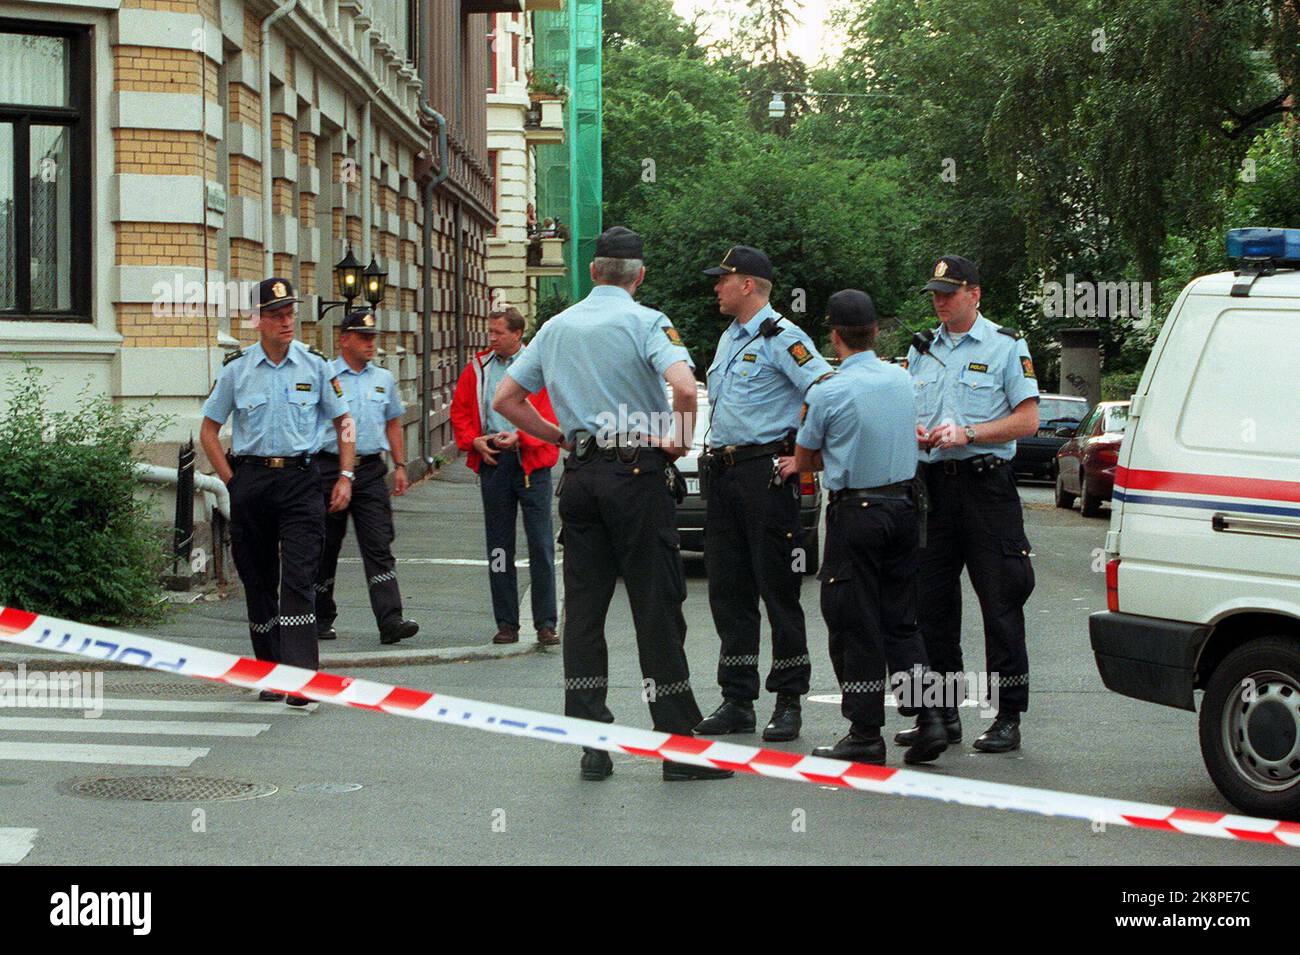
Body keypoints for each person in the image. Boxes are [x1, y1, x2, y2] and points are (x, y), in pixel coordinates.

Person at [492, 225, 731, 783]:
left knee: (585, 612)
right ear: (638, 277)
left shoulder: (555, 327)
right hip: (635, 474)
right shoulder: (647, 321)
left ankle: (591, 743)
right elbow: (686, 387)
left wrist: (558, 438)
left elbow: (507, 399)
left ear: (594, 272)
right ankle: (676, 746)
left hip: (580, 476)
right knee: (656, 607)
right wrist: (677, 439)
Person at [793, 290, 949, 764]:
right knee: (901, 620)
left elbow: (804, 459)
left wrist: (835, 453)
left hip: (856, 514)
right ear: (876, 331)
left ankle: (864, 732)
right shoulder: (902, 380)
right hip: (904, 508)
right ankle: (930, 719)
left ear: (833, 335)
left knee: (853, 621)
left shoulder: (827, 390)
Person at [693, 245, 833, 743]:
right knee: (728, 589)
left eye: (723, 279)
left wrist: (802, 453)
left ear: (747, 285)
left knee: (778, 588)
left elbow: (824, 388)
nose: (716, 287)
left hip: (765, 476)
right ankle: (737, 699)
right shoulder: (730, 338)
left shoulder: (782, 337)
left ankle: (789, 699)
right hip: (726, 474)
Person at [900, 255, 1040, 753]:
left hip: (986, 488)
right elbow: (910, 414)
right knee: (931, 606)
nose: (939, 301)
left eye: (949, 292)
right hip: (935, 488)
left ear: (974, 294)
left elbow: (1028, 421)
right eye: (935, 293)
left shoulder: (1005, 345)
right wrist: (915, 434)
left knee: (1000, 603)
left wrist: (971, 432)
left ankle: (1008, 715)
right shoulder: (920, 351)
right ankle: (942, 714)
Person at [199, 277, 354, 706]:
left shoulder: (316, 365)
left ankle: (303, 677)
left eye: (290, 314)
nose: (287, 322)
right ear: (258, 321)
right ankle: (271, 671)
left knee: (300, 577)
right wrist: (232, 480)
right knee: (259, 578)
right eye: (277, 315)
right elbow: (209, 431)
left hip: (302, 482)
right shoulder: (237, 369)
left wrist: (345, 475)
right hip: (252, 480)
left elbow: (344, 423)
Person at [450, 307, 560, 646]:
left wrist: (523, 436)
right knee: (499, 547)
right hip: (495, 463)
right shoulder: (478, 368)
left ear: (517, 334)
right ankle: (506, 622)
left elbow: (551, 415)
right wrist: (475, 441)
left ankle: (545, 622)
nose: (491, 338)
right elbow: (461, 411)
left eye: (498, 332)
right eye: (491, 332)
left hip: (532, 465)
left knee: (541, 545)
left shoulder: (539, 367)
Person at [312, 307, 420, 646]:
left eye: (373, 337)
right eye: (363, 337)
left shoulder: (383, 379)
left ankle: (391, 619)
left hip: (371, 470)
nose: (370, 344)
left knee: (378, 544)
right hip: (329, 467)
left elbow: (393, 423)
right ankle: (319, 616)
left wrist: (400, 465)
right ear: (344, 340)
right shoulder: (325, 375)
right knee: (325, 545)